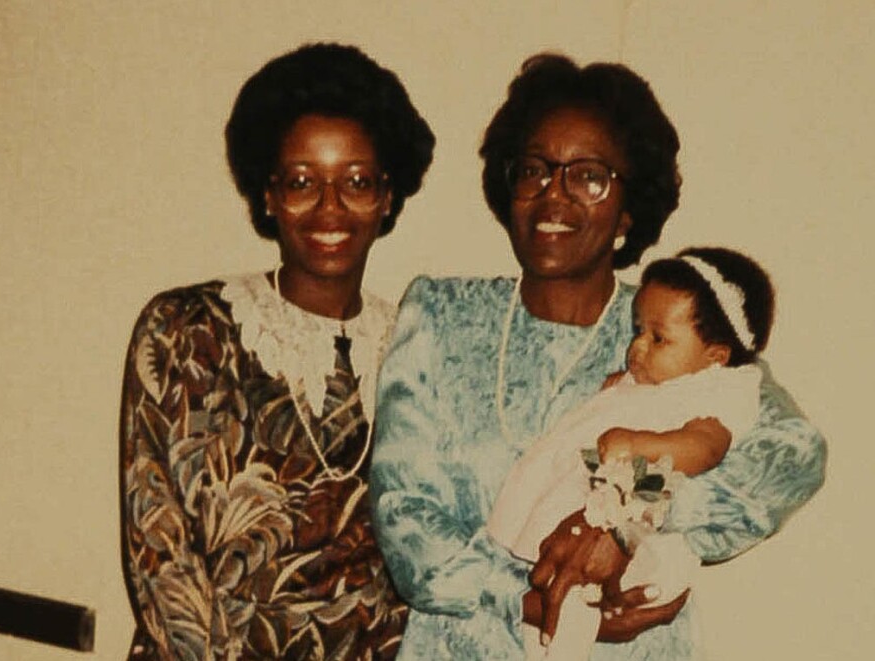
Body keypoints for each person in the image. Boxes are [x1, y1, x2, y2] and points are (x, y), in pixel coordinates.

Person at [370, 54, 825, 660]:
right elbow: (406, 526)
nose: (554, 195)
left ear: (630, 208)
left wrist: (625, 520)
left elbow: (792, 456)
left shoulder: (676, 330)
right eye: (534, 169)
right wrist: (541, 599)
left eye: (589, 176)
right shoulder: (439, 315)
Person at [119, 43, 434, 660]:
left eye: (357, 181)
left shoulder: (414, 347)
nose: (330, 207)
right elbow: (160, 558)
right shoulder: (184, 330)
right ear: (267, 196)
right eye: (301, 182)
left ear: (389, 197)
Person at [488, 247, 775, 660]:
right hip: (584, 508)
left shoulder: (714, 391)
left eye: (658, 338)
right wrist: (616, 396)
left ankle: (569, 635)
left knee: (567, 611)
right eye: (638, 330)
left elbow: (705, 448)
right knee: (545, 611)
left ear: (716, 357)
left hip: (639, 542)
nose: (637, 347)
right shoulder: (651, 382)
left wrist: (641, 442)